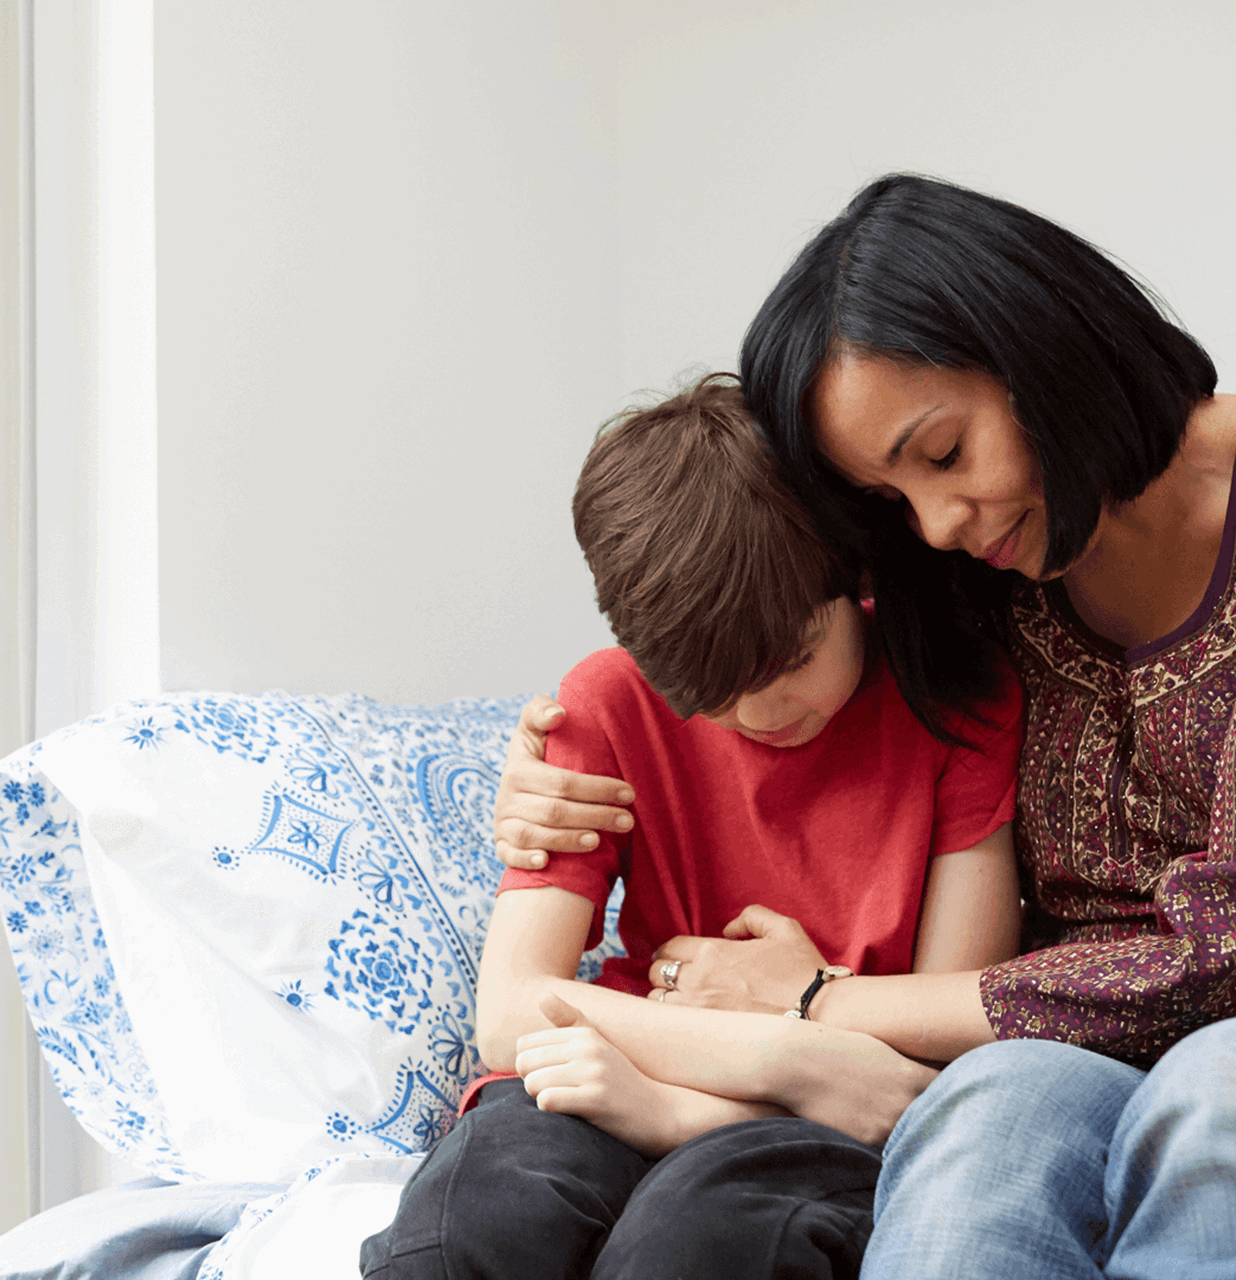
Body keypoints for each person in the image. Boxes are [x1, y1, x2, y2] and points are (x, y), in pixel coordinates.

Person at [493, 174, 1236, 1278]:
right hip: (1043, 1043)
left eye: (942, 455)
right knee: (979, 1139)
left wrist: (815, 1002)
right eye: (890, 500)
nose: (937, 521)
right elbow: (742, 616)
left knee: (1233, 1093)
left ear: (1040, 346)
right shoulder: (967, 568)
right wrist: (545, 763)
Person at [361, 373, 1024, 1280]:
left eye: (790, 659)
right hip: (637, 1069)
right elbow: (511, 1011)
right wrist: (785, 1055)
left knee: (701, 1244)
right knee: (471, 1224)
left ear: (849, 571)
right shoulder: (606, 701)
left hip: (814, 1126)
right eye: (709, 695)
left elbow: (938, 1061)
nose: (758, 711)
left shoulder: (960, 702)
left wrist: (688, 1111)